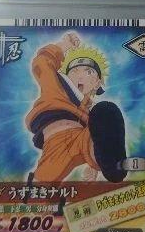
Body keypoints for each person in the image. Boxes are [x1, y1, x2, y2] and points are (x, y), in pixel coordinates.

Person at [24, 32, 119, 181]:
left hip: (81, 139)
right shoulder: (56, 87)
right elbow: (42, 62)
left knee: (106, 115)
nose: (80, 75)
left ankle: (114, 165)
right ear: (67, 76)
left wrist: (94, 164)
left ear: (97, 83)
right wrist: (64, 45)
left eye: (88, 72)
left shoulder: (92, 112)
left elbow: (96, 135)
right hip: (58, 141)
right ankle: (36, 188)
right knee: (44, 180)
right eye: (74, 71)